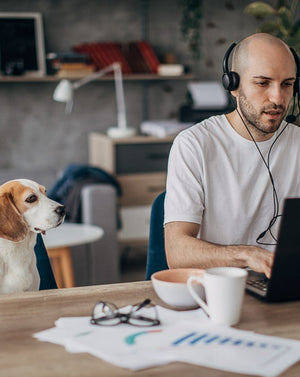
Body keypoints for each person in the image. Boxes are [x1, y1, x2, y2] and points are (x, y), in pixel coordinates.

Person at [164, 33, 300, 278]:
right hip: (217, 291)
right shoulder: (194, 144)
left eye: (287, 84)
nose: (278, 98)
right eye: (262, 83)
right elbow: (177, 253)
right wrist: (248, 255)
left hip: (284, 287)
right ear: (233, 85)